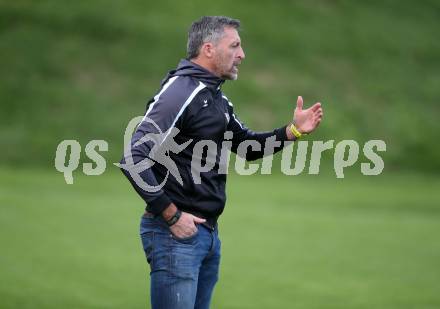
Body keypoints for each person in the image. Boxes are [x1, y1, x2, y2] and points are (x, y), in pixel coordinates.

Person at [120, 15, 323, 309]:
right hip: (175, 235)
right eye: (235, 46)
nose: (242, 54)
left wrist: (291, 132)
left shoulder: (215, 98)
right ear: (209, 49)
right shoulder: (181, 91)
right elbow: (133, 158)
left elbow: (247, 146)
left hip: (206, 236)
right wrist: (172, 216)